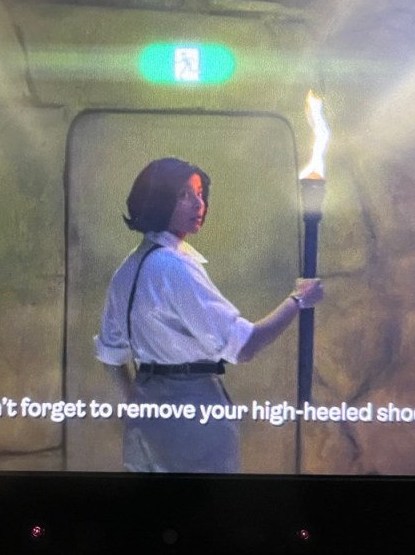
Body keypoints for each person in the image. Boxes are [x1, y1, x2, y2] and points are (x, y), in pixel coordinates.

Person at [94, 157, 324, 473]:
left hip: (145, 419)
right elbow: (244, 347)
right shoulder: (173, 267)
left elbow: (111, 356)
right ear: (158, 199)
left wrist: (138, 405)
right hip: (192, 414)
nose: (198, 204)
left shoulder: (127, 269)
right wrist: (298, 300)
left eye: (200, 194)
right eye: (184, 195)